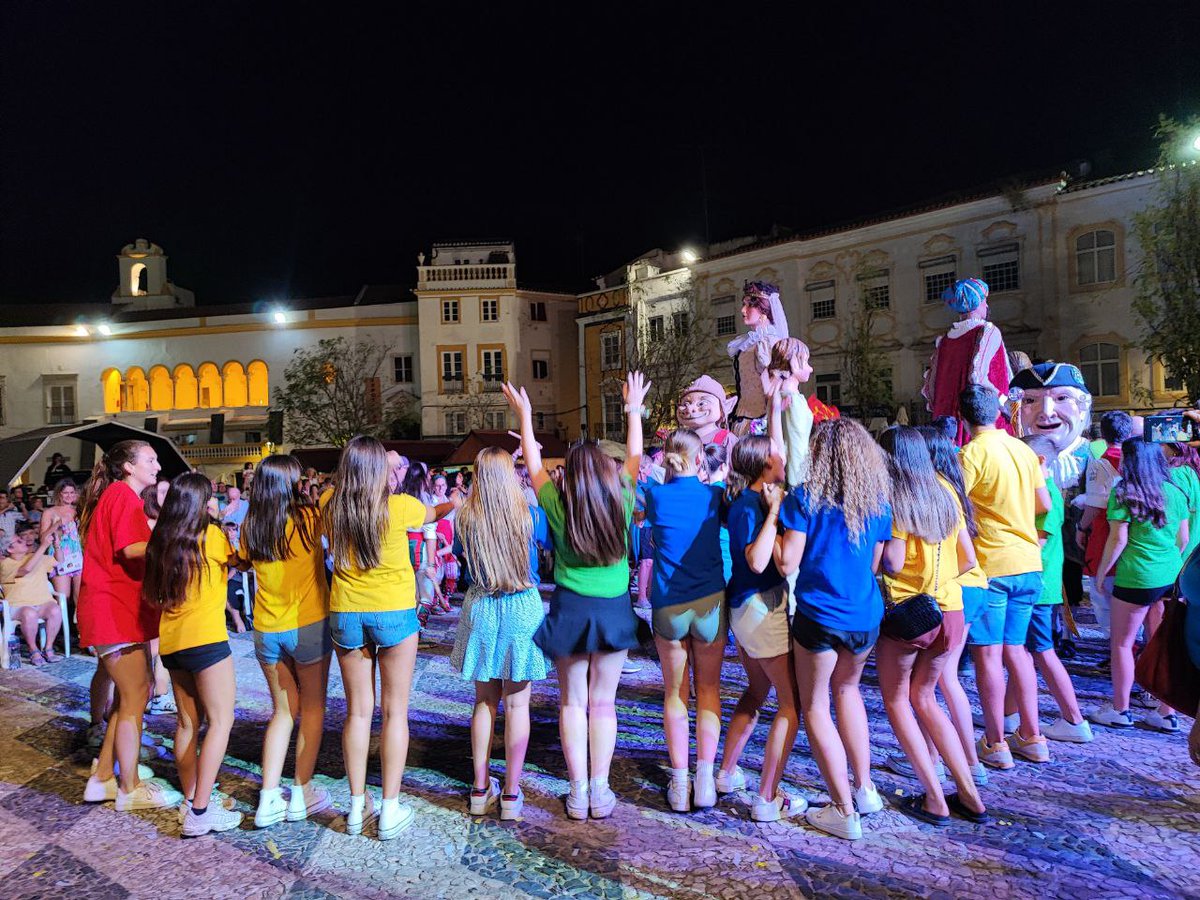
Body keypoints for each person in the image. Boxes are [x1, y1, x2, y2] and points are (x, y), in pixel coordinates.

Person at [503, 372, 648, 820]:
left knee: (571, 703)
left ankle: (579, 791)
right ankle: (601, 791)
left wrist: (526, 418)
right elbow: (637, 456)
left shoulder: (557, 505)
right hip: (613, 610)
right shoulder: (622, 498)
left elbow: (532, 463)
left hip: (570, 610)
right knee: (603, 703)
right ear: (606, 472)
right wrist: (632, 410)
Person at [322, 436, 455, 838]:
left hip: (347, 612)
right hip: (394, 612)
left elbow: (335, 493)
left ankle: (356, 806)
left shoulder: (331, 505)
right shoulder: (400, 506)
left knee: (358, 713)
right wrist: (455, 503)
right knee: (395, 712)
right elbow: (435, 510)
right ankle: (390, 807)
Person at [777, 419, 891, 840]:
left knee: (815, 706)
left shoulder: (805, 498)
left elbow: (789, 562)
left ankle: (842, 810)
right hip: (864, 616)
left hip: (819, 614)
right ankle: (865, 789)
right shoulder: (877, 502)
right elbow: (878, 565)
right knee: (849, 692)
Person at [878, 426, 988, 827]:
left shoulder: (895, 497)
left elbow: (892, 561)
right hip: (952, 611)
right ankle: (970, 794)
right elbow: (968, 559)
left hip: (910, 613)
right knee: (926, 697)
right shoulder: (945, 489)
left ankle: (935, 797)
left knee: (896, 700)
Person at [77, 440, 181, 811]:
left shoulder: (121, 495)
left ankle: (102, 778)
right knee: (136, 695)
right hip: (113, 611)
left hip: (120, 610)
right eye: (150, 460)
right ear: (128, 467)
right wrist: (173, 542)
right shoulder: (122, 494)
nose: (157, 466)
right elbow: (130, 549)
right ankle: (129, 786)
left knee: (128, 697)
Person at [232, 456, 333, 827]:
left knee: (282, 712)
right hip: (308, 624)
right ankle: (300, 792)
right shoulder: (308, 518)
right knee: (313, 710)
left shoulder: (251, 525)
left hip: (267, 630)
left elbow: (242, 562)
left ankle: (268, 797)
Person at [449, 447, 549, 820]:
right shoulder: (529, 516)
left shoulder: (466, 518)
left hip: (482, 605)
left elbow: (461, 558)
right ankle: (510, 792)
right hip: (522, 604)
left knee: (484, 702)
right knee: (518, 704)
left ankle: (479, 788)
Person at [143, 474, 243, 836]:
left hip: (172, 643)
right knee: (220, 722)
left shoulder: (163, 539)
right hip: (207, 641)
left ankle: (191, 799)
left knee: (186, 723)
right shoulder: (211, 536)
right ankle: (201, 812)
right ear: (201, 503)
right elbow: (240, 560)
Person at [958, 385, 1051, 768]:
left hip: (992, 564)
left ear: (963, 417)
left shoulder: (970, 453)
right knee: (1019, 651)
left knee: (989, 656)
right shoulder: (1022, 449)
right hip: (1028, 560)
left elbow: (955, 510)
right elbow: (1043, 503)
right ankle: (1032, 736)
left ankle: (995, 742)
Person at [717, 434, 807, 823]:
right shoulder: (754, 505)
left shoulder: (741, 500)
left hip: (743, 607)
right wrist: (774, 513)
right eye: (777, 451)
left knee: (755, 691)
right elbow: (757, 560)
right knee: (793, 704)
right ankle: (768, 797)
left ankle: (725, 773)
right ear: (765, 463)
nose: (783, 455)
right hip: (761, 608)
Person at [643, 429, 727, 812]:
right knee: (708, 691)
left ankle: (679, 783)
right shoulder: (714, 496)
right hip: (710, 602)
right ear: (698, 459)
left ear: (664, 457)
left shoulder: (656, 496)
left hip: (668, 605)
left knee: (675, 693)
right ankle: (705, 780)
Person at [1089, 439, 1189, 733]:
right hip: (1170, 577)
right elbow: (1182, 540)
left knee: (1121, 643)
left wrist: (1101, 573)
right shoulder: (1175, 491)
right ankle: (1166, 712)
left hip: (1136, 577)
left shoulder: (1124, 493)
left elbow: (1117, 540)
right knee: (1161, 645)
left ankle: (1121, 709)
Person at [1006, 434, 1093, 742]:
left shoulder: (1048, 497)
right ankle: (1008, 715)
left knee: (1042, 652)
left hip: (1038, 587)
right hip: (1039, 585)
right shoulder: (1043, 493)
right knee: (1022, 652)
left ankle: (1074, 719)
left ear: (1039, 462)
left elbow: (1036, 543)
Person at [921, 278, 1011, 446]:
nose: (986, 306)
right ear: (976, 303)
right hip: (978, 422)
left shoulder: (945, 341)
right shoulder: (987, 331)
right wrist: (1002, 407)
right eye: (984, 301)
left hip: (946, 427)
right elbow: (978, 376)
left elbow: (931, 388)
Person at [1077, 411, 1133, 637]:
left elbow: (1094, 505)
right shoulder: (1138, 459)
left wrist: (1081, 528)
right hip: (1135, 540)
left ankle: (1116, 649)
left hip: (1105, 535)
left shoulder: (1101, 463)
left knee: (1103, 596)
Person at [726, 281, 789, 429]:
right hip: (743, 418)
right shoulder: (749, 342)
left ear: (764, 311)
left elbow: (776, 384)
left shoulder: (768, 342)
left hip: (761, 422)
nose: (743, 310)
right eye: (744, 304)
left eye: (749, 305)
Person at [1, 526, 63, 665]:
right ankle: (33, 649)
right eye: (18, 541)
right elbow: (25, 570)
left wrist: (56, 544)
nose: (23, 540)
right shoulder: (5, 564)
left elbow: (59, 561)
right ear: (10, 549)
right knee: (29, 613)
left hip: (42, 602)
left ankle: (48, 648)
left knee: (55, 609)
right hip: (18, 606)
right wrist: (43, 545)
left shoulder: (35, 557)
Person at [41, 479, 84, 614]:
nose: (69, 496)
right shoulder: (49, 512)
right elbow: (43, 538)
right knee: (63, 598)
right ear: (59, 494)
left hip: (77, 556)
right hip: (58, 556)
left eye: (72, 492)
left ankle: (80, 632)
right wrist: (57, 524)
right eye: (65, 493)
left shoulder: (79, 511)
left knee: (81, 598)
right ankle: (59, 630)